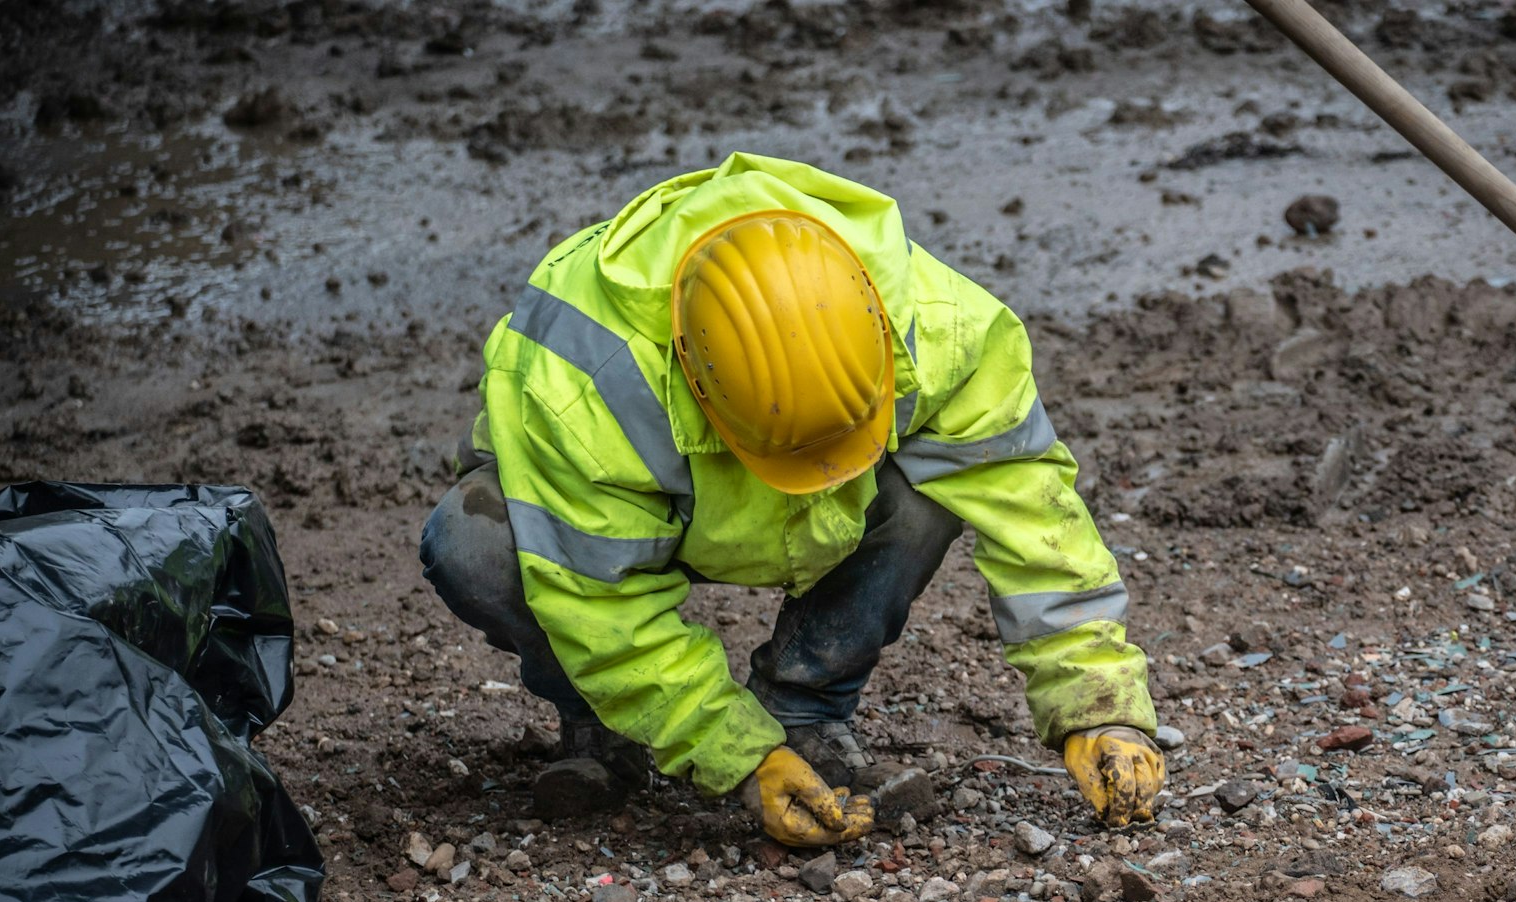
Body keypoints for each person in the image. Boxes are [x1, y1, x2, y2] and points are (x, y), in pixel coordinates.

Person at [419, 152, 1163, 848]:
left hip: (818, 522)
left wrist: (1098, 707)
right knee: (475, 544)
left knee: (930, 491)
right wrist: (739, 757)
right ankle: (604, 723)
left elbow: (1032, 511)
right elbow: (595, 599)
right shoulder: (583, 379)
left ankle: (803, 711)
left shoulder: (939, 327)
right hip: (626, 519)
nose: (824, 472)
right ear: (695, 376)